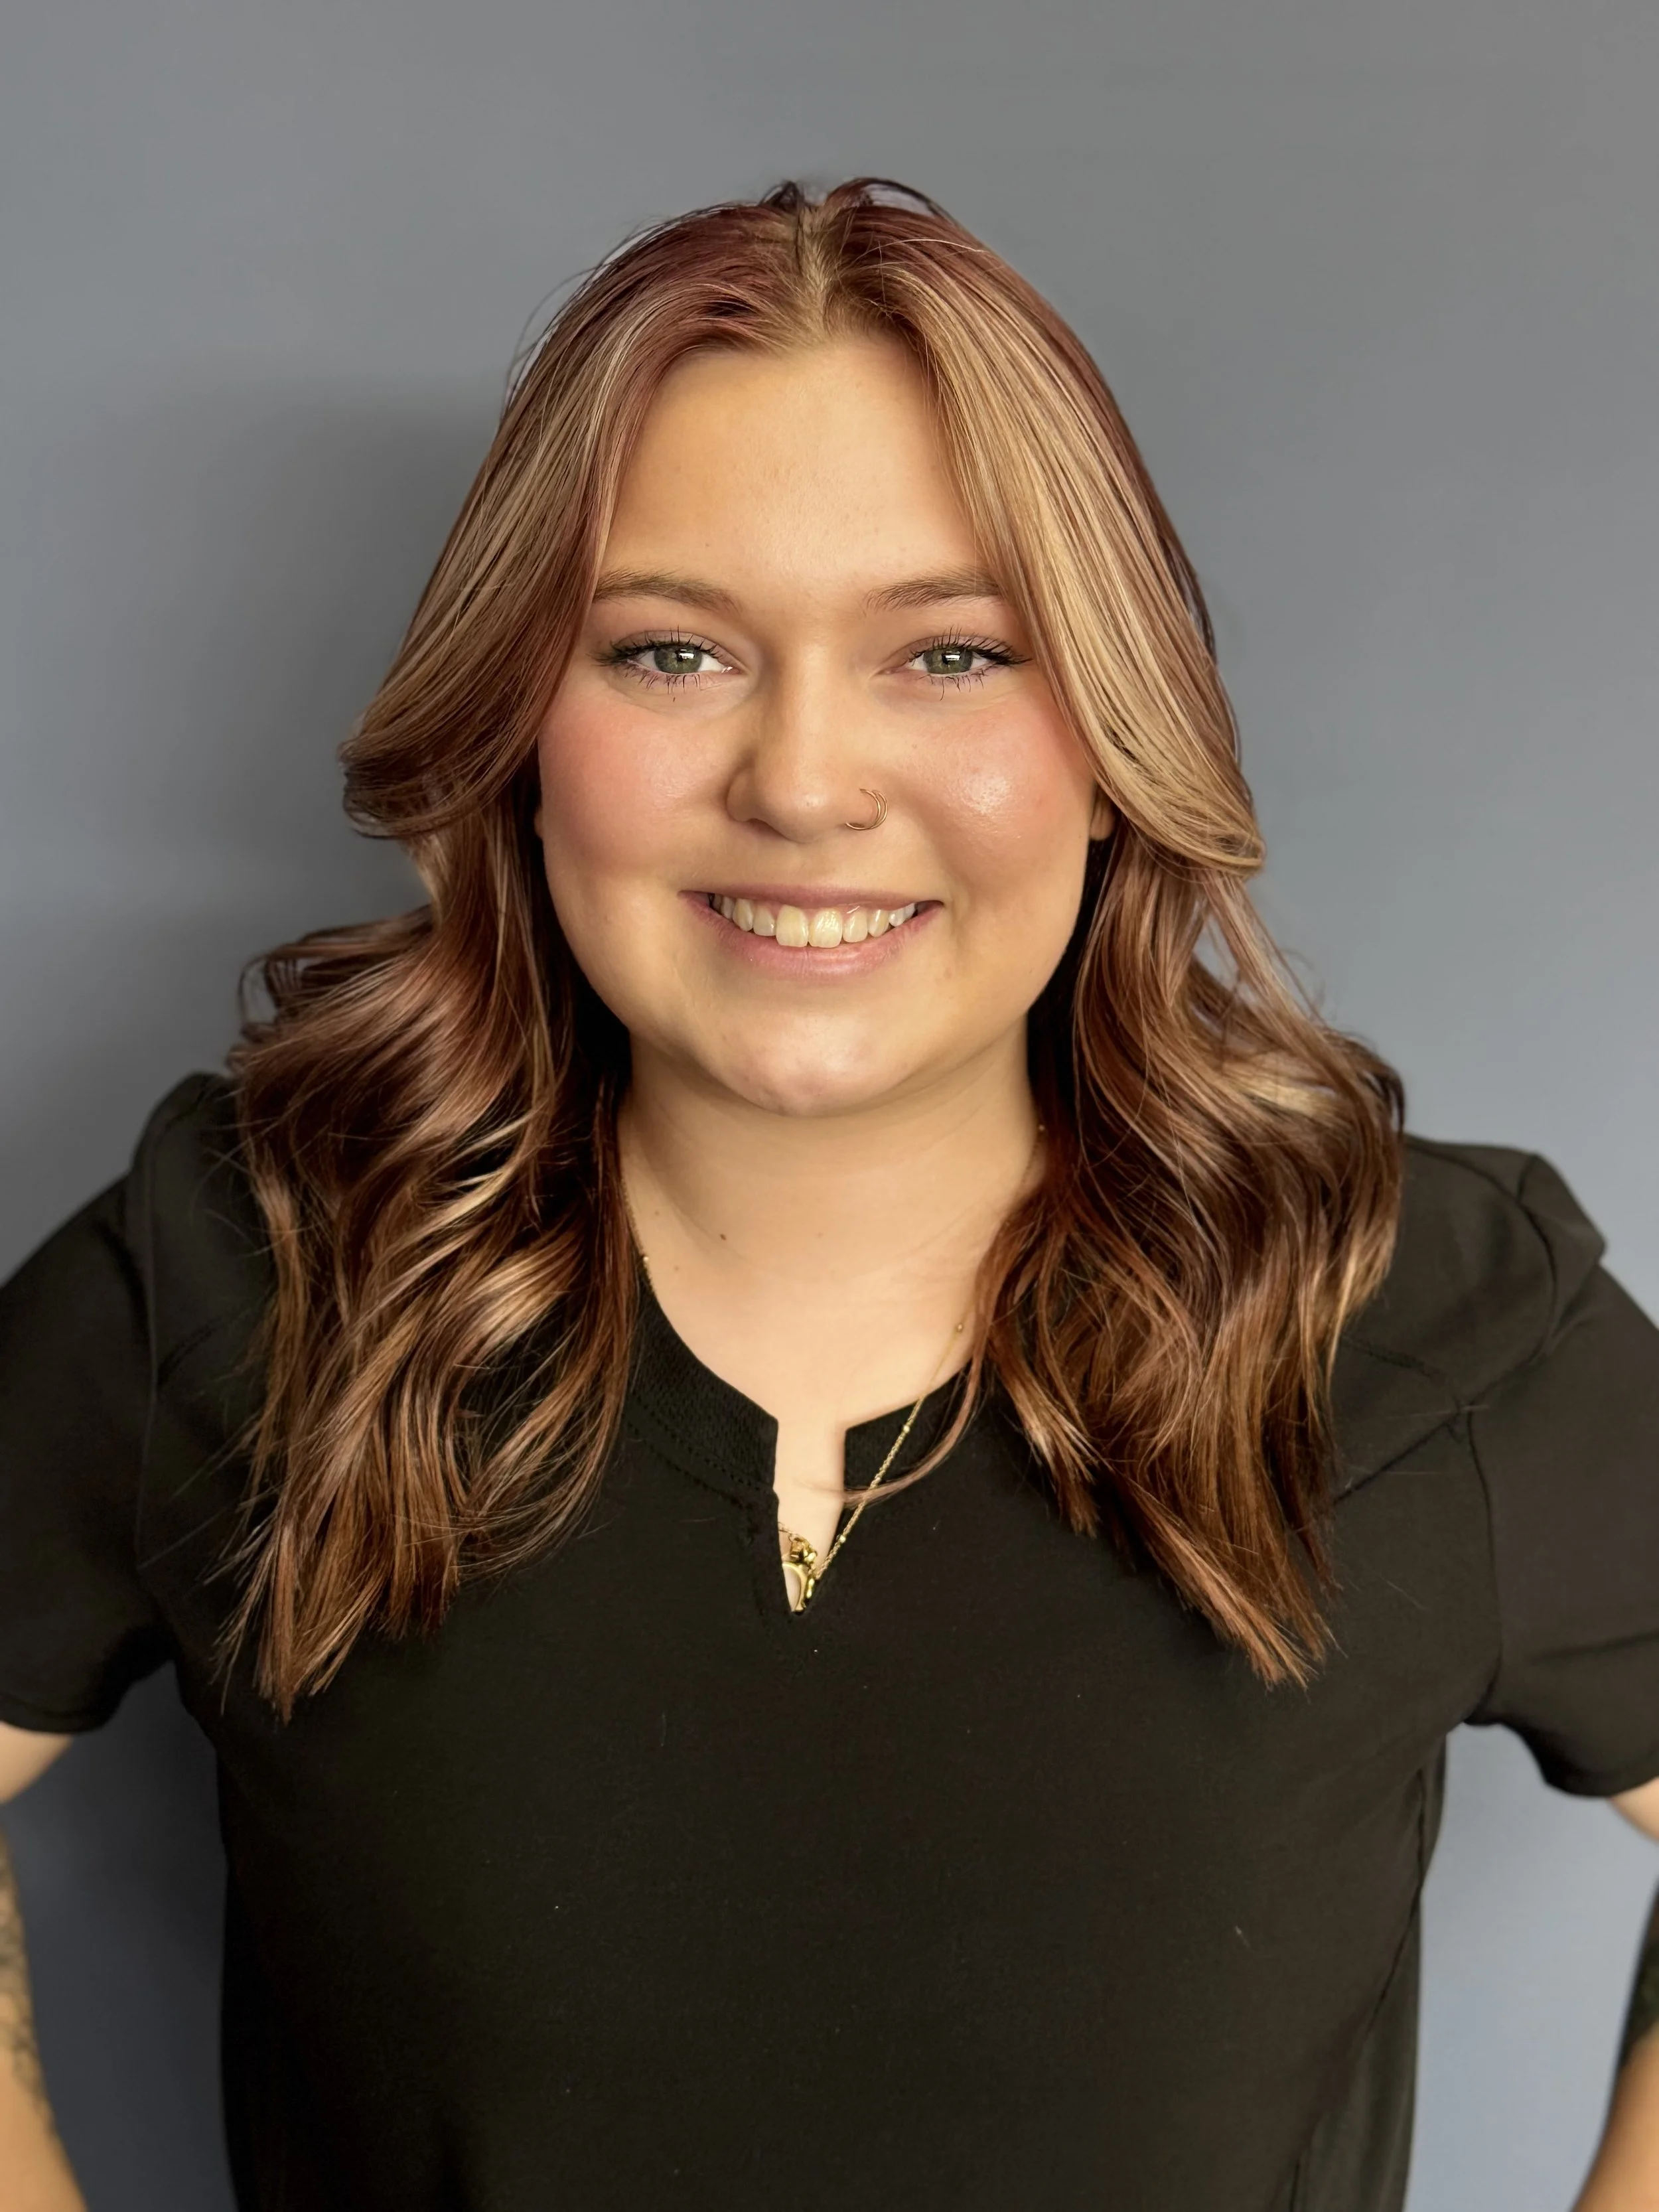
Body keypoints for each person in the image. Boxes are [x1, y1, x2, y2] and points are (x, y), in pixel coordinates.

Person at [1, 176, 1656, 2212]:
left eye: (948, 651)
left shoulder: (1419, 1320)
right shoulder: (244, 1280)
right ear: (521, 724)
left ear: (1112, 729)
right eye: (673, 649)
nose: (800, 781)